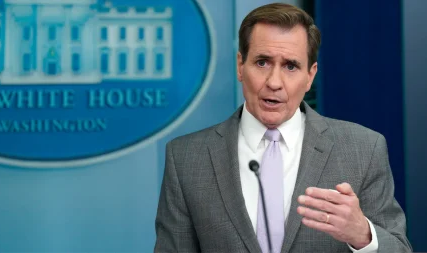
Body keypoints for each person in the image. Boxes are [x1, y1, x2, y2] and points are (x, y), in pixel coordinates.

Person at [154, 3, 412, 253]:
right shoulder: (186, 158)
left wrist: (363, 235)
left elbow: (400, 249)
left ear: (310, 76)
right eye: (262, 62)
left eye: (290, 66)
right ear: (240, 66)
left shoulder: (363, 149)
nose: (274, 82)